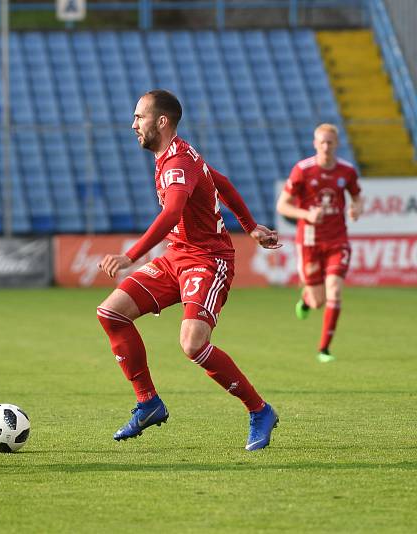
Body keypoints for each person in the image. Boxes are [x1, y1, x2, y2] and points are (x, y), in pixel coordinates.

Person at [96, 90, 282, 450]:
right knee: (111, 314)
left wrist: (131, 254)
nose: (133, 124)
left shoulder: (178, 163)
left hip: (208, 260)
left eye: (140, 117)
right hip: (176, 257)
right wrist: (251, 225)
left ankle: (259, 411)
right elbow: (220, 181)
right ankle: (149, 403)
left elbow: (172, 212)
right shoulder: (176, 154)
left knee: (193, 344)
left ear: (161, 122)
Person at [276, 123, 362, 363]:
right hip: (310, 241)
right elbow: (282, 205)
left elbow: (357, 198)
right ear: (315, 144)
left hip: (337, 239)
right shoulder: (303, 170)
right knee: (317, 300)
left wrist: (356, 209)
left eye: (330, 142)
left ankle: (324, 349)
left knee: (335, 290)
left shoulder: (347, 171)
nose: (326, 146)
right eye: (322, 142)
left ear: (337, 144)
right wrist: (307, 215)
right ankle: (305, 300)